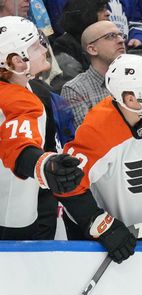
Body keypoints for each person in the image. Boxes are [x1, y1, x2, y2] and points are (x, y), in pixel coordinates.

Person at [55, 55, 142, 261]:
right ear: (131, 99)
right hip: (98, 231)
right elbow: (65, 184)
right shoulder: (97, 130)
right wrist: (100, 225)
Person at [0, 15, 84, 239]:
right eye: (36, 46)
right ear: (16, 61)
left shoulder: (30, 88)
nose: (45, 50)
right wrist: (43, 164)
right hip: (10, 219)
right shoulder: (17, 99)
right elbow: (17, 145)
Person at [61, 21, 126, 129]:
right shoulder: (75, 89)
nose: (121, 40)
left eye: (121, 35)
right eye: (111, 36)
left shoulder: (138, 74)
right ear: (92, 49)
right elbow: (89, 137)